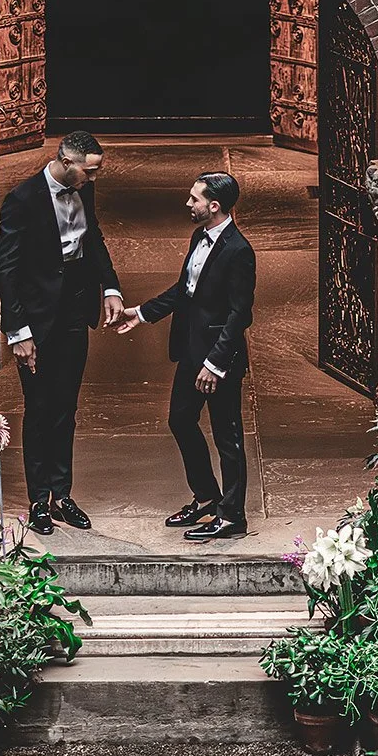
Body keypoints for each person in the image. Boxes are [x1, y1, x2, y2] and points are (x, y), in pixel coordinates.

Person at [113, 170, 256, 541]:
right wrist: (141, 313)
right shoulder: (199, 236)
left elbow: (240, 315)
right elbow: (185, 291)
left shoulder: (239, 251)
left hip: (218, 361)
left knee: (229, 436)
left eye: (194, 199)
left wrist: (215, 364)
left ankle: (232, 515)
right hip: (191, 352)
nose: (187, 204)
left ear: (214, 206)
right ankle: (207, 496)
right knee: (180, 420)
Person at [0, 131, 123, 535]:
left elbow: (93, 238)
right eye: (90, 170)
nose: (94, 178)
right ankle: (38, 499)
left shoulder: (83, 189)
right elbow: (7, 270)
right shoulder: (23, 199)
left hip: (74, 308)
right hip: (37, 317)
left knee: (66, 406)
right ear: (67, 162)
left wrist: (112, 287)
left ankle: (62, 494)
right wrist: (19, 331)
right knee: (39, 408)